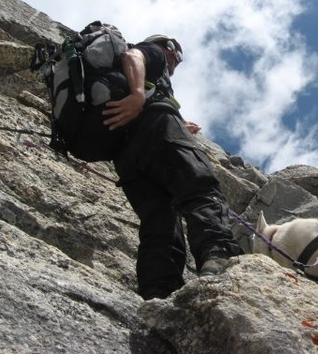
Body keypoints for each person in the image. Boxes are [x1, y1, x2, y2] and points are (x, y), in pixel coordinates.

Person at [101, 34, 242, 300]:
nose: (176, 61)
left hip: (127, 155)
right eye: (175, 54)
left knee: (159, 221)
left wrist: (178, 123)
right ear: (166, 48)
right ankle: (218, 258)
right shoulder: (152, 54)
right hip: (157, 128)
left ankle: (157, 291)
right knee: (201, 188)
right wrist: (138, 95)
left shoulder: (125, 77)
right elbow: (132, 56)